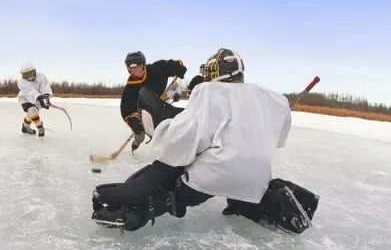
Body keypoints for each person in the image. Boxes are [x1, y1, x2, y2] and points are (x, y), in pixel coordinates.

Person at [92, 48, 319, 233]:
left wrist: (162, 131)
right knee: (241, 180)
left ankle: (134, 212)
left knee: (173, 188)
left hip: (212, 176)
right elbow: (278, 140)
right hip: (255, 180)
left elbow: (182, 142)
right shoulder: (274, 100)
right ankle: (257, 203)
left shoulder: (209, 93)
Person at [120, 51, 187, 151]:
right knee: (144, 93)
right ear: (129, 69)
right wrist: (137, 128)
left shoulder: (157, 68)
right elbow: (127, 111)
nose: (136, 69)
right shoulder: (130, 88)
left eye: (138, 65)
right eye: (132, 67)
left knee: (186, 116)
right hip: (148, 112)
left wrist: (176, 67)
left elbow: (169, 65)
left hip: (160, 102)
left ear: (143, 64)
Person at [17, 63, 53, 137]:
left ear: (34, 71)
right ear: (22, 74)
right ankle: (40, 127)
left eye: (30, 72)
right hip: (25, 97)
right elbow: (29, 91)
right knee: (32, 110)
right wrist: (39, 98)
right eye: (26, 73)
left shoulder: (41, 76)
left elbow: (45, 86)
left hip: (38, 97)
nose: (28, 75)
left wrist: (46, 97)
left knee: (32, 113)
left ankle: (25, 127)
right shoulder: (21, 82)